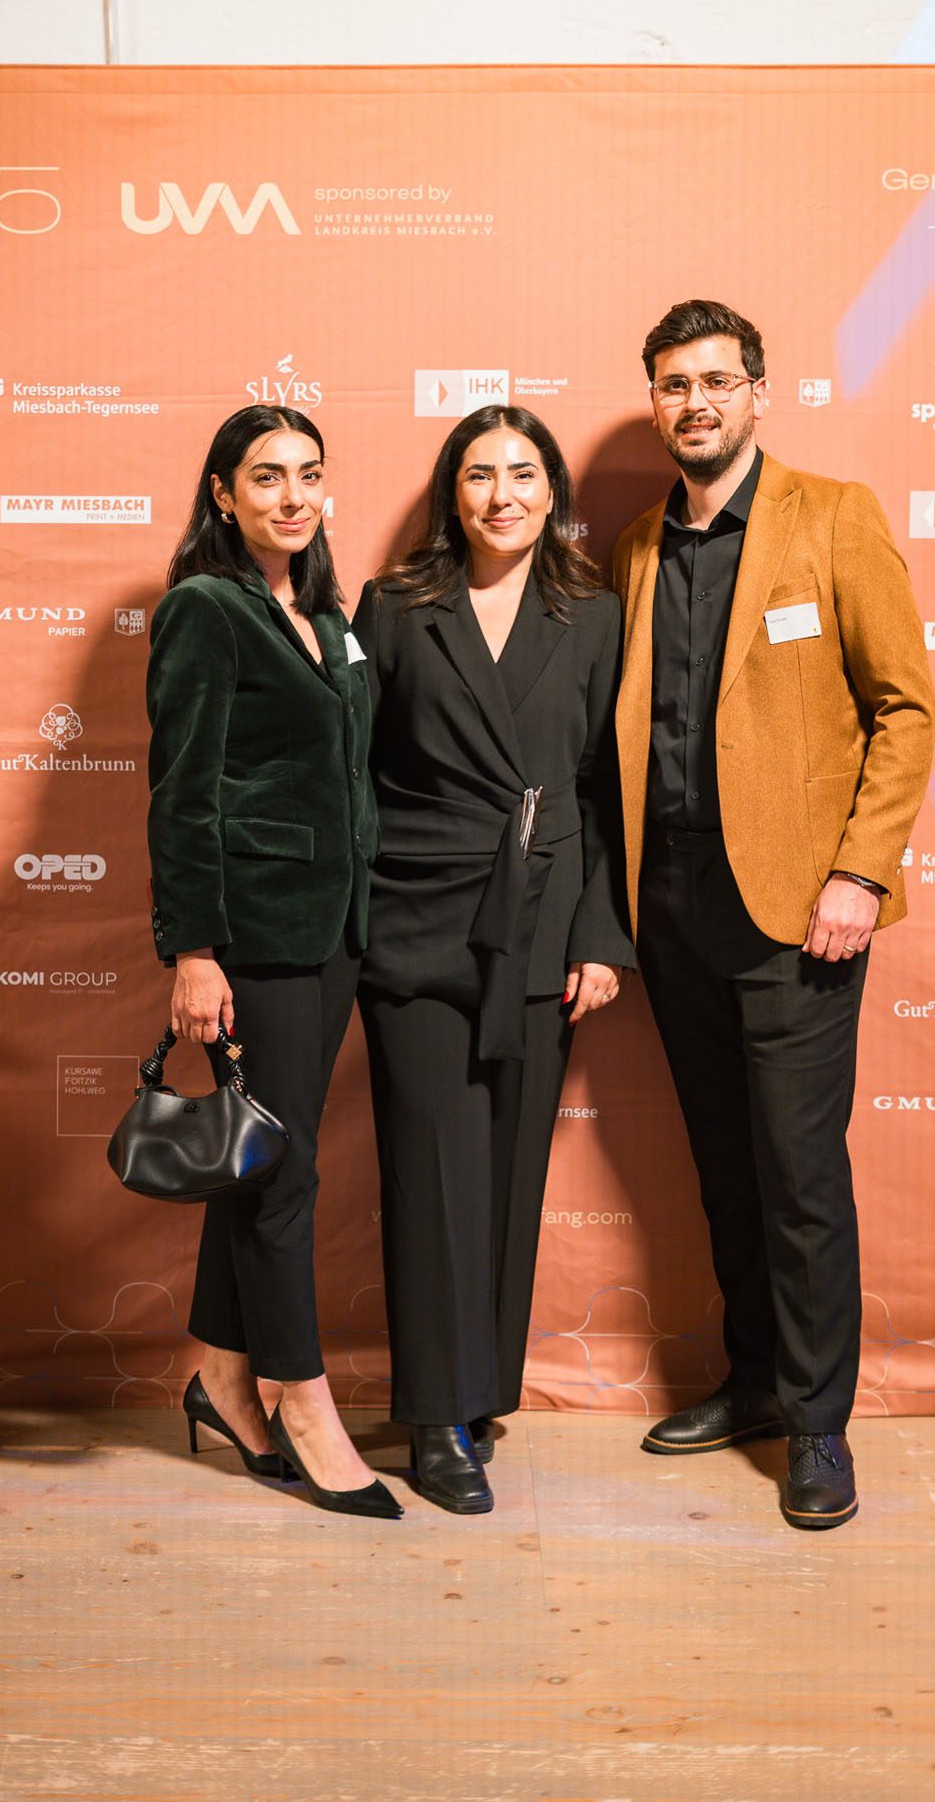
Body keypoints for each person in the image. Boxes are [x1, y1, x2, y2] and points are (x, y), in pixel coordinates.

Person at [611, 299, 935, 1531]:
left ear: (758, 391)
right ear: (654, 403)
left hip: (800, 910)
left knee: (798, 1176)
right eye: (672, 384)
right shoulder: (635, 547)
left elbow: (904, 709)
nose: (693, 402)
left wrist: (858, 873)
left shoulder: (832, 515)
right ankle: (752, 1382)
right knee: (724, 1168)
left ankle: (814, 1425)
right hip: (671, 903)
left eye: (714, 380)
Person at [353, 404, 633, 1515]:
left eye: (522, 473)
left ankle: (477, 1394)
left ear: (551, 491)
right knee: (433, 1171)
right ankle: (433, 1418)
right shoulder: (393, 607)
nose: (501, 495)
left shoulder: (595, 615)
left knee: (510, 1179)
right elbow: (354, 772)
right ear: (450, 493)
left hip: (544, 923)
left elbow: (605, 790)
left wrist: (599, 937)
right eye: (479, 475)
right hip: (416, 917)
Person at [145, 404, 401, 1521]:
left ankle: (217, 1376)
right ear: (222, 493)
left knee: (256, 1159)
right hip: (254, 936)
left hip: (334, 931)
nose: (292, 496)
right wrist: (194, 951)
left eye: (308, 474)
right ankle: (301, 1401)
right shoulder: (205, 609)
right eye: (265, 476)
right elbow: (182, 793)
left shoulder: (325, 613)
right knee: (283, 1174)